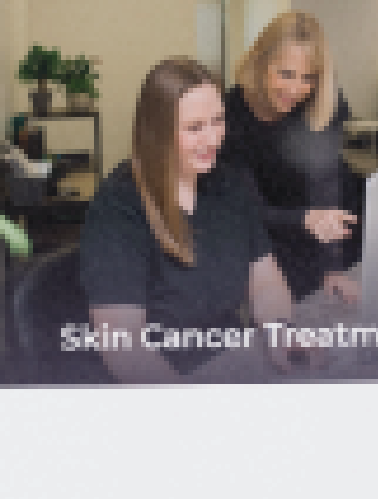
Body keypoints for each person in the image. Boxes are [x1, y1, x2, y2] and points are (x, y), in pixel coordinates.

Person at [72, 52, 272, 372]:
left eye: (218, 120)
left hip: (229, 366)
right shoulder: (118, 208)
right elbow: (124, 347)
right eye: (194, 128)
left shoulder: (230, 185)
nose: (213, 139)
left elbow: (265, 281)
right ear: (157, 133)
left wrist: (280, 330)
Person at [223, 7, 364, 312]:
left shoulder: (325, 100)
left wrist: (333, 266)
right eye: (285, 73)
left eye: (308, 78)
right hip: (269, 234)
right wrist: (303, 219)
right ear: (261, 62)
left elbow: (326, 185)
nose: (295, 90)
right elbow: (247, 209)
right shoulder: (230, 115)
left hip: (332, 226)